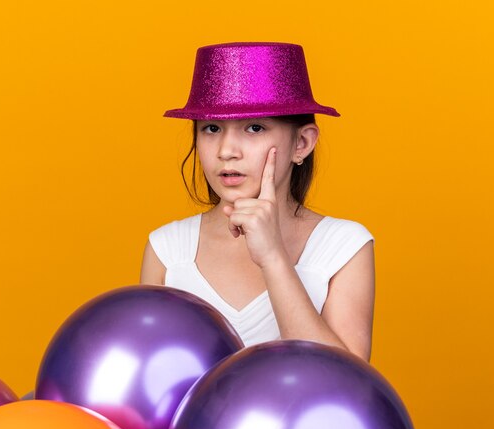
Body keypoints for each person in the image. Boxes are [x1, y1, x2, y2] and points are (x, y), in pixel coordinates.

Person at [140, 42, 375, 361]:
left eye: (254, 128)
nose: (226, 150)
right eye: (211, 128)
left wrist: (274, 258)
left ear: (302, 143)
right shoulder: (167, 251)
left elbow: (346, 389)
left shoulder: (344, 247)